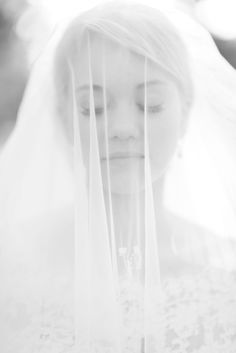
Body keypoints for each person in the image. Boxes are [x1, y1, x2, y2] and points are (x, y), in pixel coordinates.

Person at [0, 2, 236, 352]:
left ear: (184, 113)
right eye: (94, 108)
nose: (122, 129)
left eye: (150, 104)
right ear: (65, 118)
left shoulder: (225, 272)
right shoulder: (12, 267)